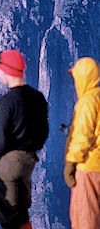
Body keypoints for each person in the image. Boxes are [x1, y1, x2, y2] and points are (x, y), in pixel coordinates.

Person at [0, 50, 49, 229]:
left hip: (11, 159)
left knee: (5, 208)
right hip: (29, 159)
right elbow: (44, 131)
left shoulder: (8, 101)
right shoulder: (38, 97)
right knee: (21, 209)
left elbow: (1, 136)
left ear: (6, 70)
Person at [64, 57, 100, 229]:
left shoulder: (87, 102)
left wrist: (71, 163)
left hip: (88, 168)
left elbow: (82, 136)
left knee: (85, 219)